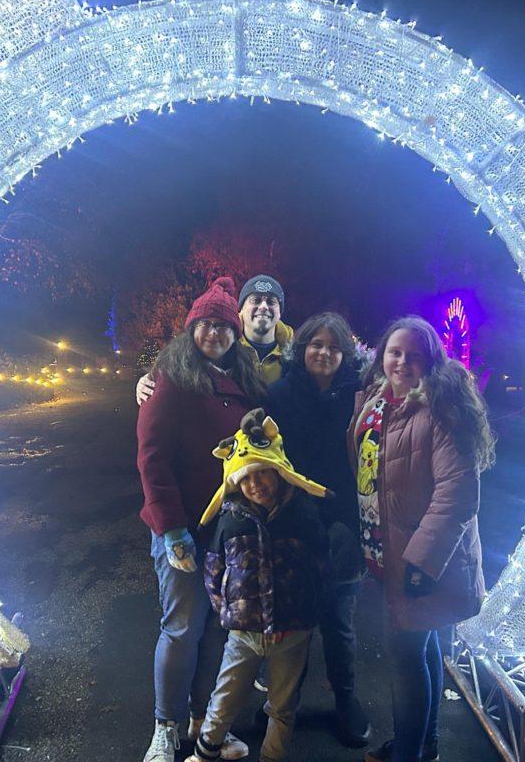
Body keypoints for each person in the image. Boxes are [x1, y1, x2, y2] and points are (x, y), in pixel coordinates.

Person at [350, 316, 495, 762]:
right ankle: (424, 743)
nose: (403, 362)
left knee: (406, 661)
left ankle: (408, 753)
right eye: (395, 352)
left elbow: (457, 494)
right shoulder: (378, 402)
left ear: (430, 362)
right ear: (382, 356)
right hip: (389, 549)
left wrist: (420, 564)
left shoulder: (439, 409)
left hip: (423, 561)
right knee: (426, 645)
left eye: (414, 355)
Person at [137, 277, 267, 762]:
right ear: (191, 328)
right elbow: (152, 460)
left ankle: (203, 722)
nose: (215, 333)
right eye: (206, 324)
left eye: (224, 326)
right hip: (184, 528)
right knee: (182, 627)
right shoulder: (169, 380)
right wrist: (172, 531)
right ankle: (165, 728)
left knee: (218, 627)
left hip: (229, 528)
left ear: (235, 334)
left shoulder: (245, 380)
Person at [186, 408, 329, 762]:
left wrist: (307, 614)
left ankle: (272, 756)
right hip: (244, 633)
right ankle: (204, 754)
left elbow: (320, 567)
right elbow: (214, 571)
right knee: (225, 698)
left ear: (280, 472)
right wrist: (228, 613)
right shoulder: (230, 521)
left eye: (264, 473)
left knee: (283, 704)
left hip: (292, 632)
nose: (255, 485)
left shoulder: (303, 515)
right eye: (245, 479)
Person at [265, 312, 372, 747]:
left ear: (345, 353)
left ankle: (345, 699)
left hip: (345, 523)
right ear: (302, 348)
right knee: (292, 622)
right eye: (316, 344)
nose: (324, 353)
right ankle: (281, 707)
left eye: (333, 347)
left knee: (338, 622)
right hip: (292, 522)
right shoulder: (279, 394)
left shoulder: (359, 396)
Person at [137, 274, 292, 403]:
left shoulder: (296, 354)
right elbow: (185, 366)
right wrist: (152, 381)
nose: (264, 306)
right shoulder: (220, 346)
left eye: (271, 301)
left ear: (280, 311)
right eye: (256, 300)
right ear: (242, 308)